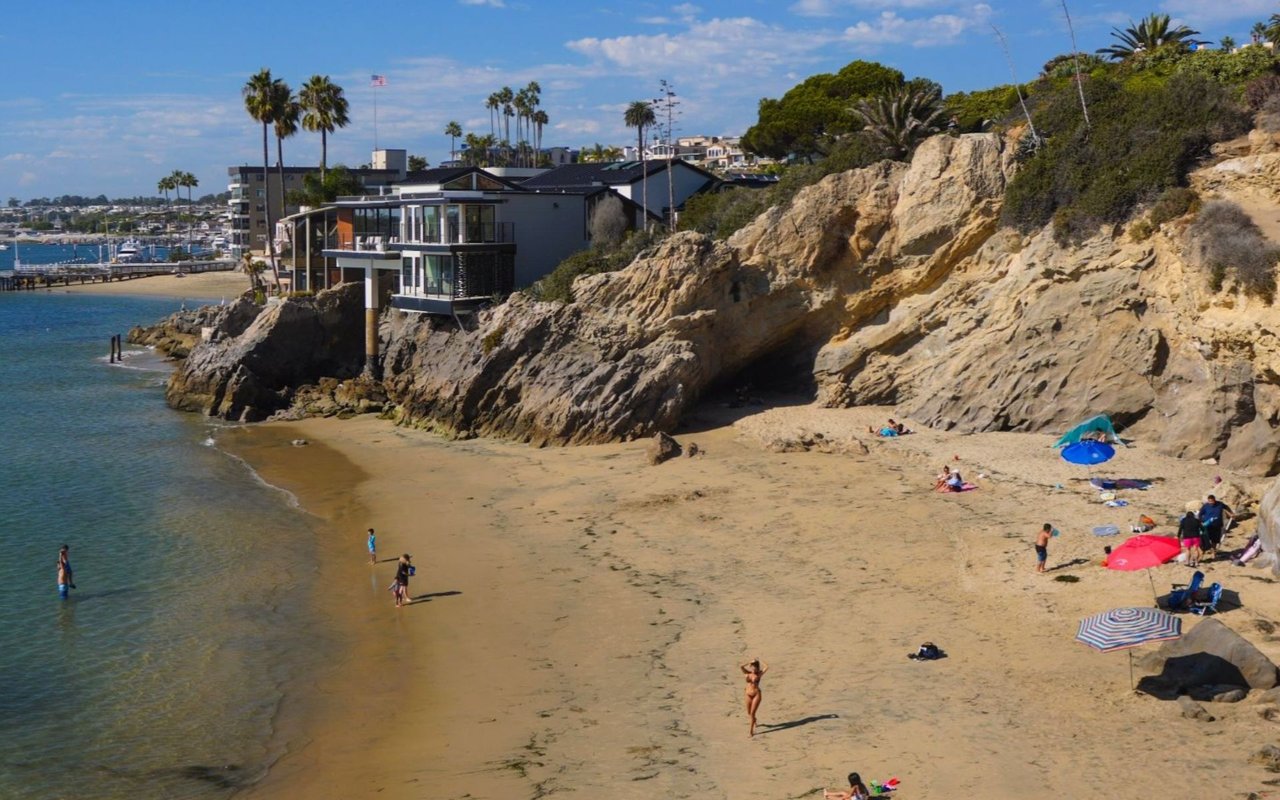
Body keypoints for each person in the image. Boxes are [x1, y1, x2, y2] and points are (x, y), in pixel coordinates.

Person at [1198, 494, 1234, 559]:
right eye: (1209, 501)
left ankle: (1213, 553)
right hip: (1207, 526)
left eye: (1212, 501)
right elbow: (1200, 514)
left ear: (1214, 500)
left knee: (1215, 540)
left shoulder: (1220, 504)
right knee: (1206, 540)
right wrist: (1201, 521)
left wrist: (1231, 513)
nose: (1210, 503)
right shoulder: (1205, 506)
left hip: (1217, 525)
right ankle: (1203, 553)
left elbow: (1226, 507)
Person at [741, 658, 768, 738]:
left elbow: (767, 666)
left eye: (755, 667)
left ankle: (751, 732)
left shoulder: (759, 674)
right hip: (748, 694)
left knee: (752, 713)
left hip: (756, 694)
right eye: (752, 667)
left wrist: (760, 660)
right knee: (749, 713)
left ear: (757, 668)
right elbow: (741, 666)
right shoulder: (747, 673)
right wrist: (749, 661)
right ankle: (754, 720)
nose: (754, 668)